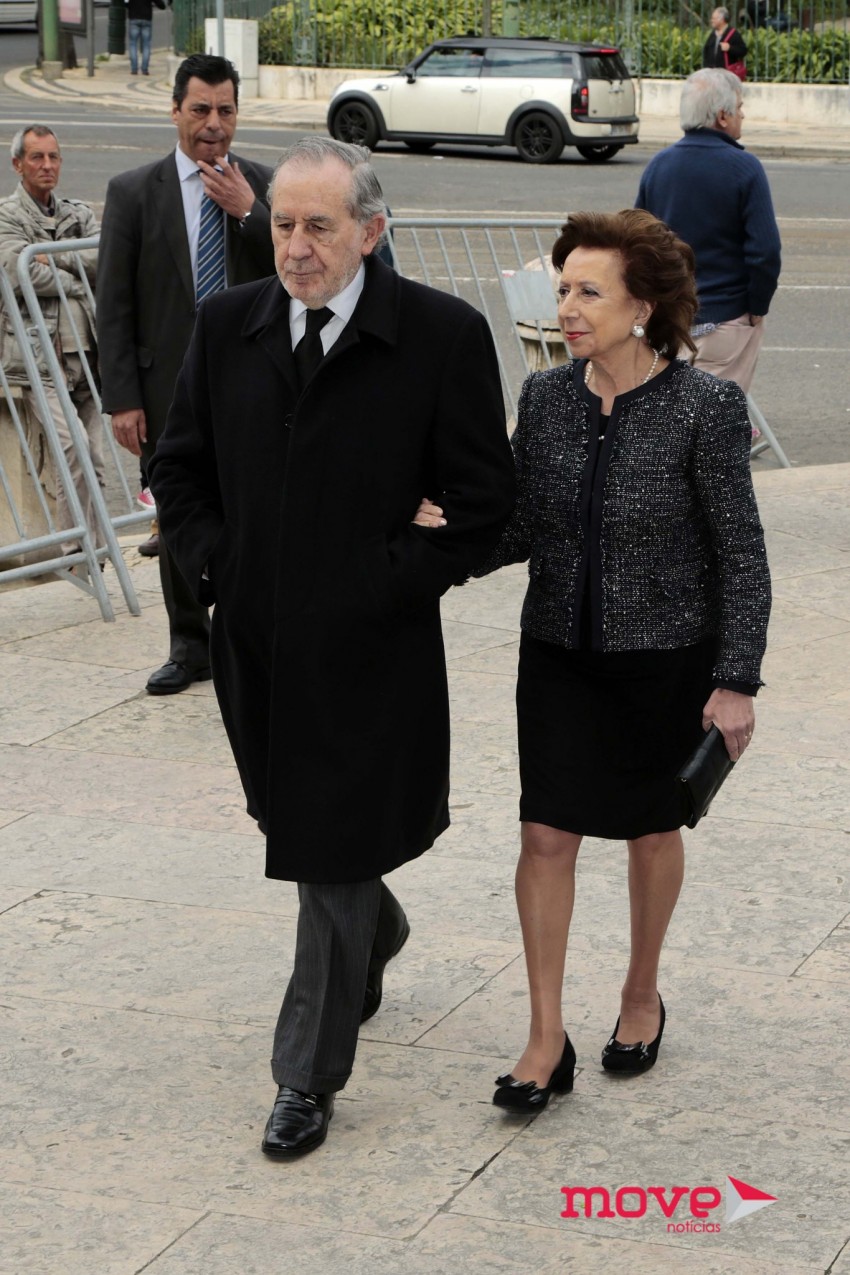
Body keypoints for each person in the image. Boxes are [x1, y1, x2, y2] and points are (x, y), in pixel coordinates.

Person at [148, 137, 515, 1156]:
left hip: (371, 653)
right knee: (298, 823)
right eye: (282, 225)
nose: (297, 247)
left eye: (319, 226)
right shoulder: (227, 325)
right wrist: (220, 567)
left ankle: (305, 1076)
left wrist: (386, 583)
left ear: (371, 231)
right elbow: (179, 470)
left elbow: (483, 505)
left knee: (333, 839)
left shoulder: (441, 336)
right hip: (256, 648)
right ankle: (378, 932)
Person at [415, 210, 771, 1111]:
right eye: (562, 288)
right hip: (558, 656)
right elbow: (525, 525)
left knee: (652, 830)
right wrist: (449, 534)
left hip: (667, 660)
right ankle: (545, 1037)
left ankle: (641, 992)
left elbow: (741, 553)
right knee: (545, 834)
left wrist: (736, 679)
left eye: (588, 292)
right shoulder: (546, 399)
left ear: (641, 307)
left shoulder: (705, 407)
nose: (567, 308)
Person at [97, 54, 275, 695]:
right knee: (178, 515)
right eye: (200, 109)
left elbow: (297, 266)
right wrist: (122, 398)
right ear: (175, 111)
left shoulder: (263, 185)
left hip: (253, 385)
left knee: (253, 512)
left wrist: (250, 212)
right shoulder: (133, 192)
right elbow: (114, 303)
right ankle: (189, 646)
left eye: (225, 110)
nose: (213, 124)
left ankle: (247, 638)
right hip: (165, 390)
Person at [635, 68, 781, 396]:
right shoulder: (744, 168)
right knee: (713, 419)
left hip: (671, 321)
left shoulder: (658, 166)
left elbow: (638, 243)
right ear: (722, 116)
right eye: (739, 108)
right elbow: (765, 252)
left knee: (670, 415)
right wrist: (757, 308)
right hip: (727, 320)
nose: (743, 115)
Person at [0, 125, 104, 555]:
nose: (47, 165)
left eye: (53, 156)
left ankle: (97, 553)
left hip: (88, 353)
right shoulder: (7, 215)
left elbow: (102, 258)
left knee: (95, 459)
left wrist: (54, 259)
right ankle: (78, 553)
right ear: (17, 164)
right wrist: (75, 279)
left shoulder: (77, 213)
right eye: (37, 157)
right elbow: (18, 271)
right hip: (39, 357)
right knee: (72, 448)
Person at [126, 0, 165, 77]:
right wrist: (163, 5)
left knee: (133, 44)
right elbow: (160, 4)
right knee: (146, 45)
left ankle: (134, 69)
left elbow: (125, 3)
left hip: (134, 17)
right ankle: (145, 69)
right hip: (146, 18)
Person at [702, 6, 747, 74]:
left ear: (722, 19)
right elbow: (706, 52)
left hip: (727, 74)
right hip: (712, 74)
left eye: (714, 18)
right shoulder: (712, 34)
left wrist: (730, 48)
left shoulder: (733, 34)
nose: (711, 21)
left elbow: (743, 51)